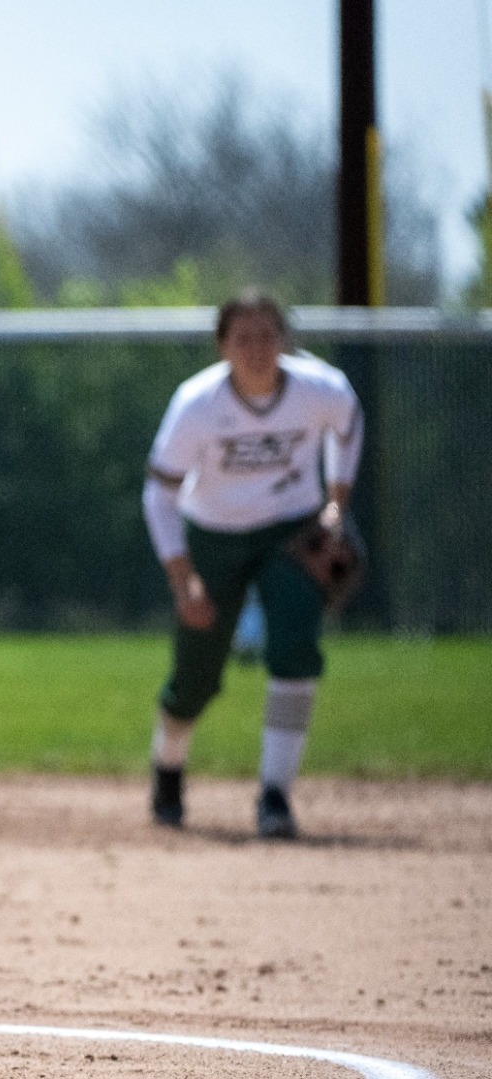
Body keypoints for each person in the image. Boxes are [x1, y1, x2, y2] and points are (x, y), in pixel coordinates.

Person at [140, 291, 364, 839]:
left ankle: (274, 795)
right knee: (196, 674)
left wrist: (337, 503)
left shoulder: (319, 388)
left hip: (290, 531)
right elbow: (158, 495)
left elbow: (349, 422)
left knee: (294, 646)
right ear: (222, 346)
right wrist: (183, 579)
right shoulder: (197, 403)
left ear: (284, 340)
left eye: (268, 335)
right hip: (213, 532)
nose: (257, 349)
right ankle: (168, 770)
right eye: (243, 338)